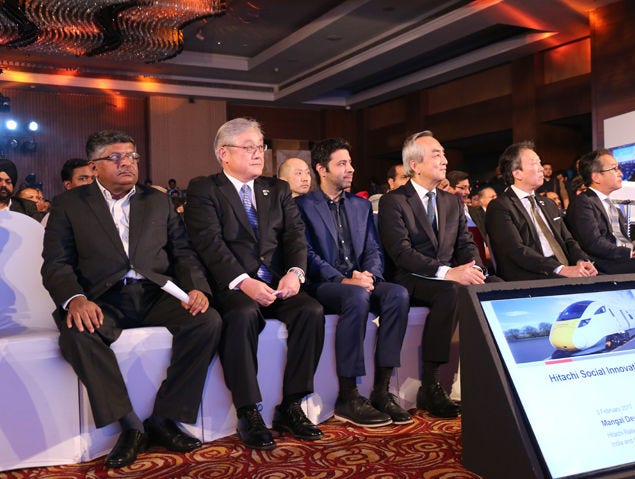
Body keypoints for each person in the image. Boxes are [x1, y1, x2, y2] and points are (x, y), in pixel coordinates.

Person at [41, 130, 222, 469]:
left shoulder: (157, 201)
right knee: (77, 333)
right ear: (94, 167)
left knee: (207, 321)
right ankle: (130, 426)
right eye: (115, 157)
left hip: (156, 294)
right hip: (103, 298)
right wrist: (75, 299)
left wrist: (196, 287)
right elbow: (56, 264)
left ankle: (165, 418)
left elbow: (182, 252)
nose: (127, 163)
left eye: (131, 156)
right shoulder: (69, 204)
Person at [183, 118, 325, 451]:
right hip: (233, 286)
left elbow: (295, 237)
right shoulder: (205, 189)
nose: (258, 153)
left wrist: (294, 273)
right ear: (224, 153)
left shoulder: (277, 189)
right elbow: (209, 243)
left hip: (276, 284)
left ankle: (292, 404)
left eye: (261, 146)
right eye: (249, 147)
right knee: (243, 314)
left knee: (311, 310)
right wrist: (243, 281)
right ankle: (249, 411)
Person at [377, 130, 497, 419]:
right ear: (414, 165)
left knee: (495, 285)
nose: (444, 160)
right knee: (451, 291)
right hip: (411, 277)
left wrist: (475, 270)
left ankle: (495, 377)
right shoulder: (394, 201)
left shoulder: (451, 201)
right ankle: (431, 385)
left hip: (447, 274)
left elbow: (465, 245)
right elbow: (402, 254)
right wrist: (448, 273)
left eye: (444, 154)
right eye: (436, 155)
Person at [295, 138, 411, 427]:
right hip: (323, 284)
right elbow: (306, 254)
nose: (351, 169)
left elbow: (373, 248)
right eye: (342, 163)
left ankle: (382, 391)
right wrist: (344, 279)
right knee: (355, 297)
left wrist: (369, 275)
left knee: (397, 294)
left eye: (350, 162)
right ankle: (348, 395)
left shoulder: (361, 206)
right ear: (322, 169)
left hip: (359, 280)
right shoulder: (302, 206)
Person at [485, 141, 597, 281]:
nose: (541, 168)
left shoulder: (549, 203)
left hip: (565, 271)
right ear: (517, 173)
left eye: (540, 163)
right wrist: (560, 269)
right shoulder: (500, 206)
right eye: (535, 163)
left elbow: (568, 240)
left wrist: (581, 260)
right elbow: (515, 250)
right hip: (533, 276)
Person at [565, 149, 635, 274]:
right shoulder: (583, 202)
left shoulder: (612, 205)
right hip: (603, 265)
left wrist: (634, 251)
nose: (620, 173)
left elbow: (622, 240)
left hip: (621, 260)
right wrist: (628, 253)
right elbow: (593, 243)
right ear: (596, 177)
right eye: (614, 169)